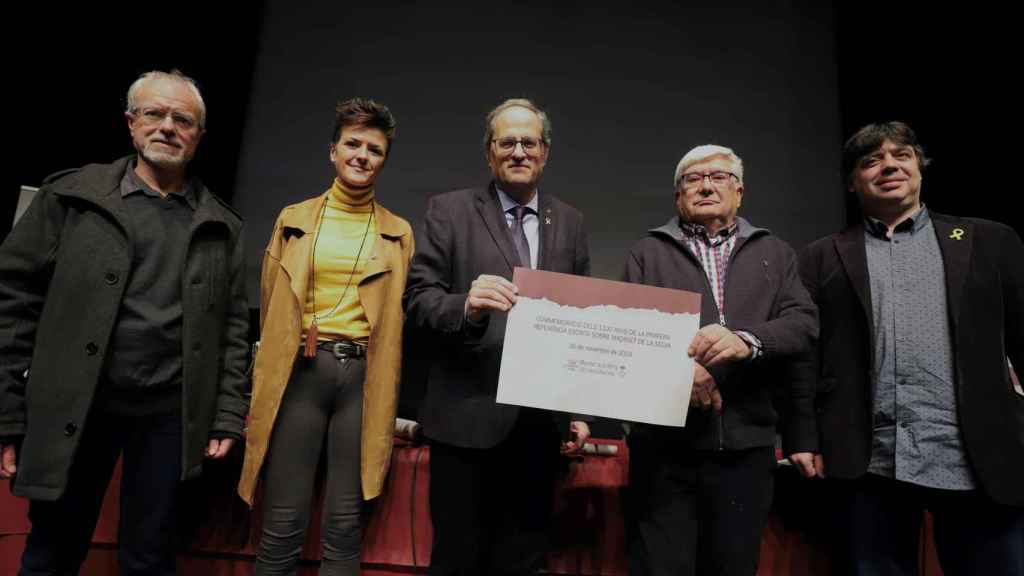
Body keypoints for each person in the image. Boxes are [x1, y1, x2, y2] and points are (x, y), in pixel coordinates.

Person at [0, 69, 249, 575]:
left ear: (199, 136)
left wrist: (225, 415)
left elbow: (233, 332)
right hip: (78, 402)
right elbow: (11, 303)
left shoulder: (222, 226)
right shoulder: (71, 198)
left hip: (168, 413)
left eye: (183, 119)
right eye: (154, 114)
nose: (167, 127)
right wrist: (7, 413)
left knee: (150, 555)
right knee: (52, 546)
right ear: (131, 124)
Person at [793, 121, 1024, 575]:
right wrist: (802, 436)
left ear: (920, 168)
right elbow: (805, 356)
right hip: (869, 459)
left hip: (977, 455)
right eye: (871, 160)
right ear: (852, 182)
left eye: (901, 155)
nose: (889, 165)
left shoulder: (990, 241)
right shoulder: (821, 256)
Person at [402, 98, 591, 575]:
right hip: (466, 419)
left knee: (525, 561)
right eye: (507, 142)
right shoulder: (448, 211)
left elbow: (580, 321)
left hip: (537, 427)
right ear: (490, 153)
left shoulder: (570, 221)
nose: (519, 151)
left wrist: (577, 408)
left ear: (545, 152)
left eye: (529, 142)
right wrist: (465, 304)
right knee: (457, 560)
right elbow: (418, 299)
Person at [237, 97, 414, 575]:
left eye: (374, 149)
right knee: (281, 522)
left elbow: (399, 319)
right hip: (300, 372)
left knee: (343, 526)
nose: (362, 155)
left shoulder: (399, 233)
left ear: (384, 160)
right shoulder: (292, 220)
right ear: (332, 151)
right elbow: (271, 305)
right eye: (352, 144)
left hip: (362, 379)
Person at [623, 144, 817, 575]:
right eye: (693, 179)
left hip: (746, 449)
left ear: (740, 191)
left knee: (733, 567)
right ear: (678, 197)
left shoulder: (776, 253)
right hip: (666, 450)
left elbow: (803, 324)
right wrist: (679, 371)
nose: (706, 185)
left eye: (718, 177)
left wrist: (748, 341)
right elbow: (630, 338)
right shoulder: (647, 253)